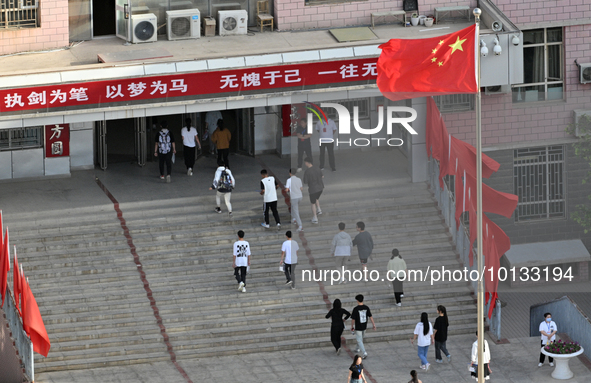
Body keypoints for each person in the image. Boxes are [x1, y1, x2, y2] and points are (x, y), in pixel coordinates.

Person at [350, 294, 376, 359]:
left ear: (357, 300)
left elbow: (353, 319)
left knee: (359, 340)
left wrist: (352, 326)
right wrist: (373, 324)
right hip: (364, 326)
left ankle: (364, 352)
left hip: (358, 326)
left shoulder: (356, 309)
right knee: (360, 339)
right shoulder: (366, 308)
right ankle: (357, 348)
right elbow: (370, 316)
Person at [302, 157, 324, 224]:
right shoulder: (317, 168)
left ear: (307, 162)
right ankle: (319, 209)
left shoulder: (307, 171)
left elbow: (305, 181)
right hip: (320, 188)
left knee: (312, 203)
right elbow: (322, 176)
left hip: (313, 189)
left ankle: (315, 217)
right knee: (316, 198)